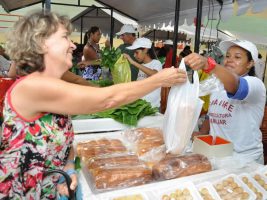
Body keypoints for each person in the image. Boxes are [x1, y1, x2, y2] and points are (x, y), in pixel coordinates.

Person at [0, 11, 187, 199]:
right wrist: (157, 80)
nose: (73, 44)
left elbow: (62, 140)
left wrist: (69, 167)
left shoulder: (48, 86)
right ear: (41, 42)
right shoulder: (33, 86)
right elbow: (106, 100)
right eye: (65, 37)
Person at [185, 39, 266, 164]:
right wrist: (202, 133)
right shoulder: (217, 85)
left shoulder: (255, 84)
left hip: (244, 158)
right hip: (217, 152)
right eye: (227, 56)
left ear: (250, 64)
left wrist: (209, 65)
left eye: (237, 57)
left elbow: (235, 85)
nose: (229, 60)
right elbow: (211, 114)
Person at [124, 37, 162, 108]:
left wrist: (133, 62)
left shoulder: (156, 63)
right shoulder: (142, 66)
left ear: (145, 50)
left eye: (136, 52)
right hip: (141, 104)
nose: (134, 55)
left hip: (152, 107)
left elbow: (155, 75)